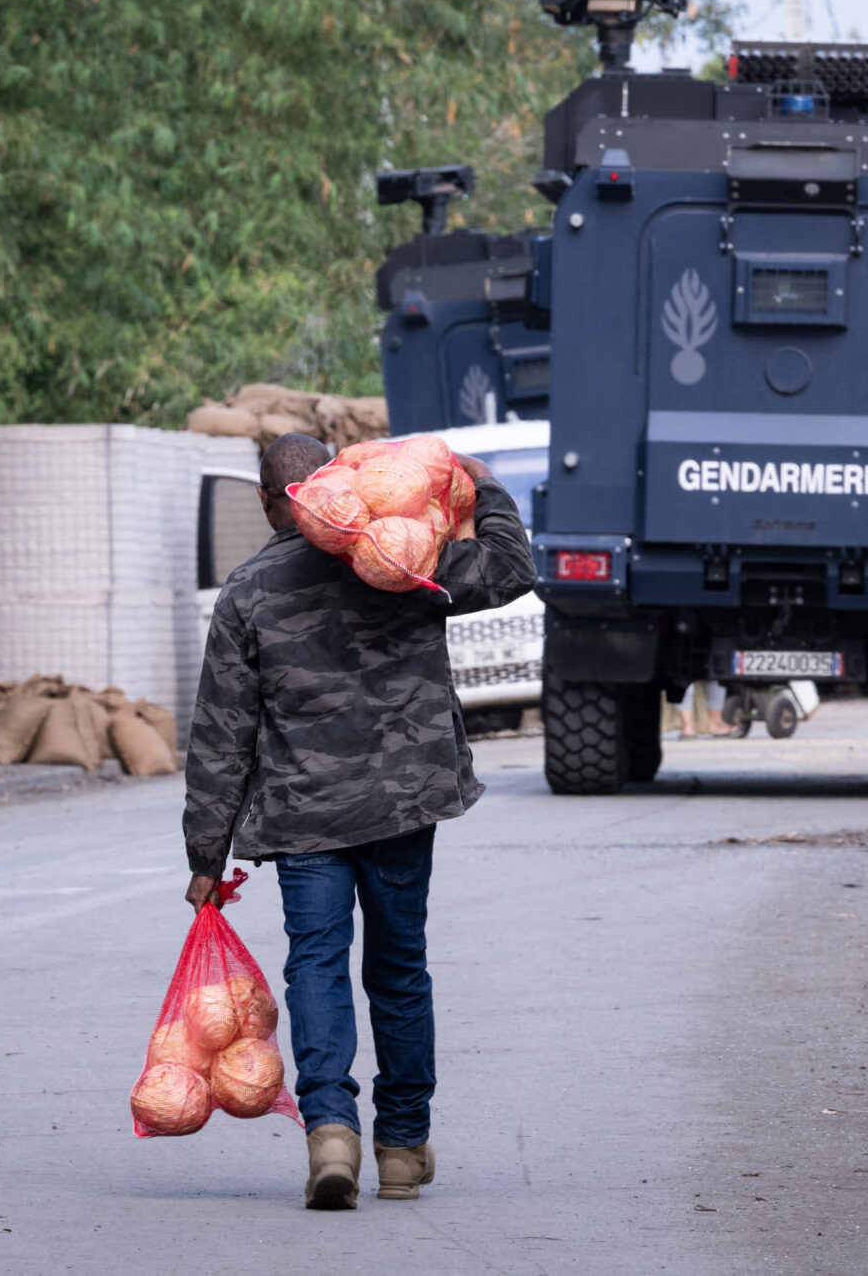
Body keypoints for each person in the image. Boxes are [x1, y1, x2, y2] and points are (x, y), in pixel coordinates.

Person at [181, 432, 536, 1210]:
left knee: (316, 963)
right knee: (399, 965)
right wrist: (481, 484)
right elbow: (512, 568)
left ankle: (331, 1133)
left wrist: (206, 854)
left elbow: (221, 732)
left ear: (269, 502)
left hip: (306, 815)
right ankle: (403, 1147)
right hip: (406, 803)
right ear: (342, 477)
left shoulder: (249, 591)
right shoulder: (400, 559)